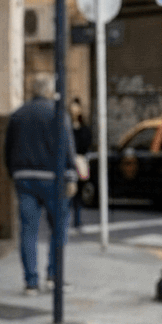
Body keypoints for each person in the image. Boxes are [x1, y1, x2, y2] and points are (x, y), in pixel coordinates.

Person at [4, 74, 76, 294]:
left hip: (24, 178)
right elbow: (67, 146)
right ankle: (54, 276)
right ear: (49, 90)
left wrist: (14, 174)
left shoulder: (18, 114)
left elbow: (7, 149)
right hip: (53, 179)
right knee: (59, 228)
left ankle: (31, 282)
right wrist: (71, 175)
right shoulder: (58, 113)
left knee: (28, 230)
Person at [70, 98, 92, 229]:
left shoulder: (83, 128)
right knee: (68, 192)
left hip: (79, 162)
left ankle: (77, 220)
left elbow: (86, 142)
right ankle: (69, 219)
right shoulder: (66, 125)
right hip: (68, 162)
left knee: (78, 193)